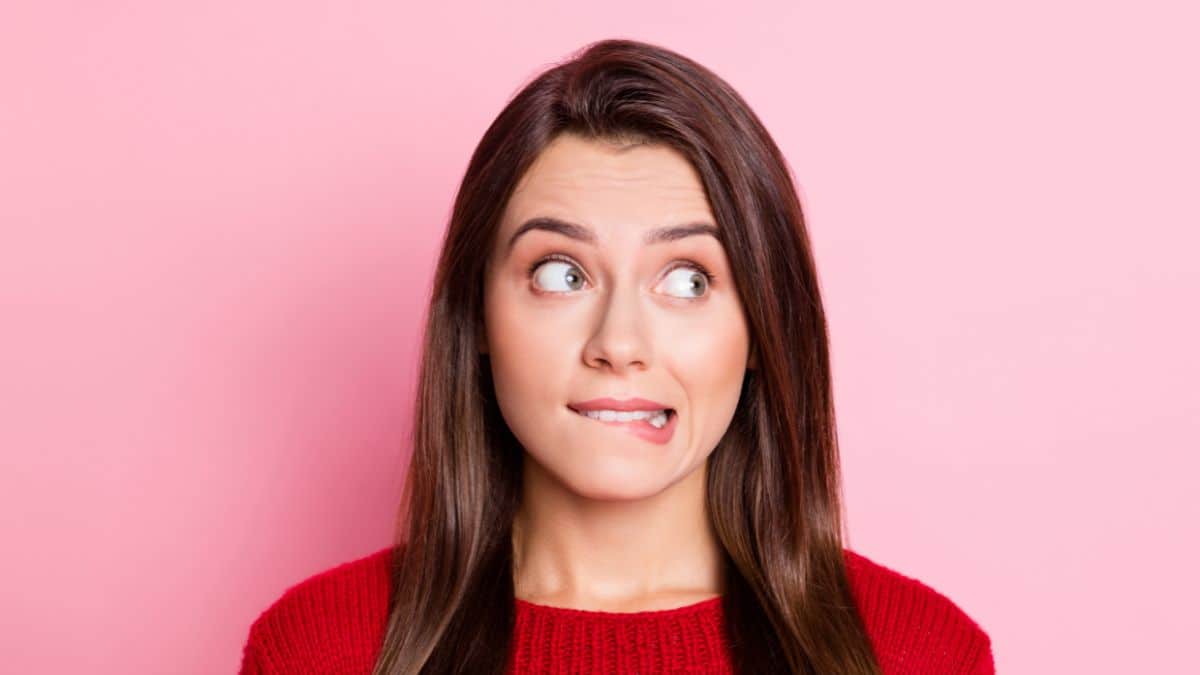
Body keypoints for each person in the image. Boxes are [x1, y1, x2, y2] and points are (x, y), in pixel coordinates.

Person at [239, 38, 994, 674]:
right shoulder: (321, 648)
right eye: (561, 274)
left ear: (764, 328)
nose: (619, 344)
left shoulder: (918, 652)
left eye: (688, 280)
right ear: (474, 315)